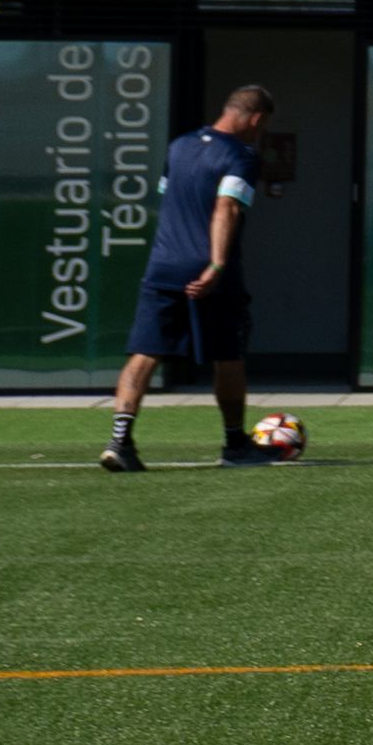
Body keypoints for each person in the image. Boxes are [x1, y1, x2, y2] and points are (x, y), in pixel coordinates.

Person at [101, 84, 278, 472]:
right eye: (261, 127)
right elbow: (226, 208)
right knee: (227, 356)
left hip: (163, 264)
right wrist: (215, 265)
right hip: (209, 271)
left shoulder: (179, 147)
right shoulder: (241, 155)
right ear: (256, 119)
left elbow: (169, 197)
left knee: (145, 353)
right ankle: (235, 444)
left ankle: (119, 441)